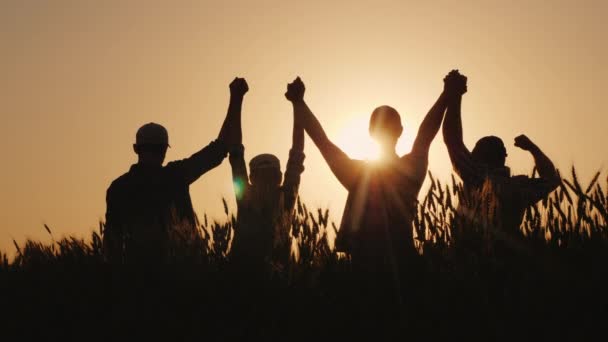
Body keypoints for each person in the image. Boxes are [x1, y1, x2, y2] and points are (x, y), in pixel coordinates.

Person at [285, 73, 458, 276]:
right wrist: (447, 94)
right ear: (400, 131)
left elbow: (323, 142)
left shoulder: (357, 175)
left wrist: (299, 102)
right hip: (405, 267)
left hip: (363, 273)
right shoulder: (411, 169)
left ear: (370, 132)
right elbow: (425, 134)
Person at [103, 78, 246, 263]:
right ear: (165, 149)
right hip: (183, 275)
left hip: (135, 280)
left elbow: (110, 244)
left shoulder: (118, 188)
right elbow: (221, 146)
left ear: (136, 148)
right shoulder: (176, 175)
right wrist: (236, 99)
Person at [442, 71, 560, 247]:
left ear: (476, 156)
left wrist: (455, 95)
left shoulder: (474, 175)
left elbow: (453, 139)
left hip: (467, 263)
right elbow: (552, 179)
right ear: (504, 157)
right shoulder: (519, 188)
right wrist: (533, 149)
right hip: (508, 265)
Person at [228, 78, 305, 270]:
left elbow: (236, 152)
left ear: (251, 178)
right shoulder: (286, 198)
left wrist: (236, 99)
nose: (267, 183)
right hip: (280, 283)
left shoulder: (245, 197)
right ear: (280, 177)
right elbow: (297, 153)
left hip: (238, 280)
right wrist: (298, 103)